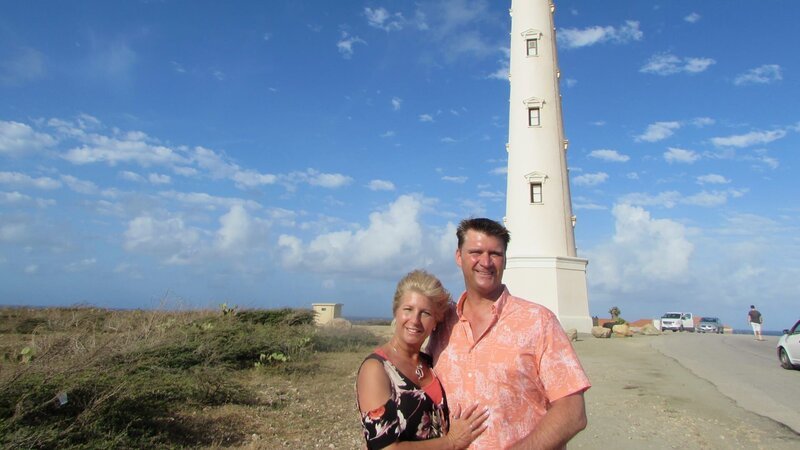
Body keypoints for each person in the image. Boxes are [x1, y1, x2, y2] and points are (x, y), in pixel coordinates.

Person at [427, 218, 591, 449]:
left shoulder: (538, 321)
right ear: (458, 256)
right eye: (476, 252)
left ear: (505, 259)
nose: (485, 262)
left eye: (495, 253)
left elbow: (573, 412)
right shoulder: (443, 323)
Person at [356, 269, 489, 449]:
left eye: (425, 313)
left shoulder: (429, 361)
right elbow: (385, 447)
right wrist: (451, 442)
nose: (415, 320)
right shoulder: (376, 369)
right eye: (408, 309)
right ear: (396, 312)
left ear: (436, 322)